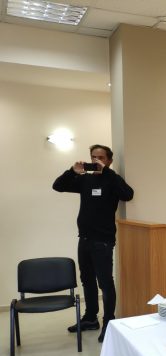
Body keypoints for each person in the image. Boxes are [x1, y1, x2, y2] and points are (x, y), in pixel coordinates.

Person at [53, 144, 134, 343]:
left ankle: (109, 322)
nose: (96, 160)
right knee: (87, 280)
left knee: (105, 283)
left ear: (109, 160)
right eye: (93, 157)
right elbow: (58, 186)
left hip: (103, 241)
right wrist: (72, 171)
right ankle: (90, 318)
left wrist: (108, 172)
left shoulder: (112, 179)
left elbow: (128, 194)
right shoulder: (85, 180)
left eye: (101, 157)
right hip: (85, 239)